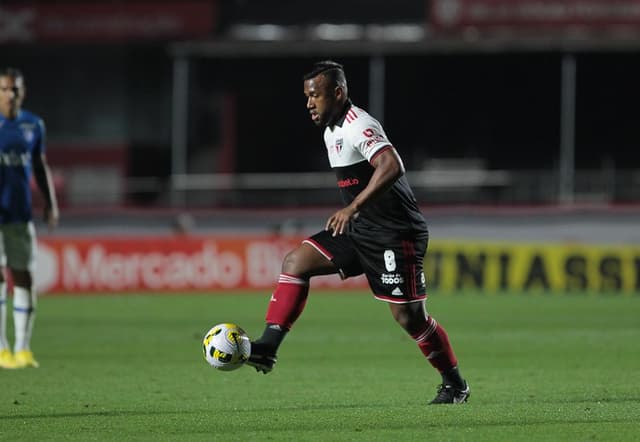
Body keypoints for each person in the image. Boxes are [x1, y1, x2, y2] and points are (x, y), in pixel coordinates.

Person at [247, 60, 470, 404]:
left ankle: (455, 384)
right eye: (306, 97)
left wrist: (352, 207)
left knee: (409, 317)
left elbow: (392, 165)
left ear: (338, 93)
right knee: (296, 262)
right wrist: (354, 214)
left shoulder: (358, 124)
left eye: (315, 96)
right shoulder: (329, 131)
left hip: (396, 233)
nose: (309, 103)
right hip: (360, 229)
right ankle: (267, 348)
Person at [0, 67, 59, 369]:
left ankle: (23, 349)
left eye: (16, 89)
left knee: (23, 277)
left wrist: (50, 203)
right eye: (5, 88)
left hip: (20, 214)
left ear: (23, 92)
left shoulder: (33, 125)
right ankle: (1, 349)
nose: (11, 94)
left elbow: (40, 165)